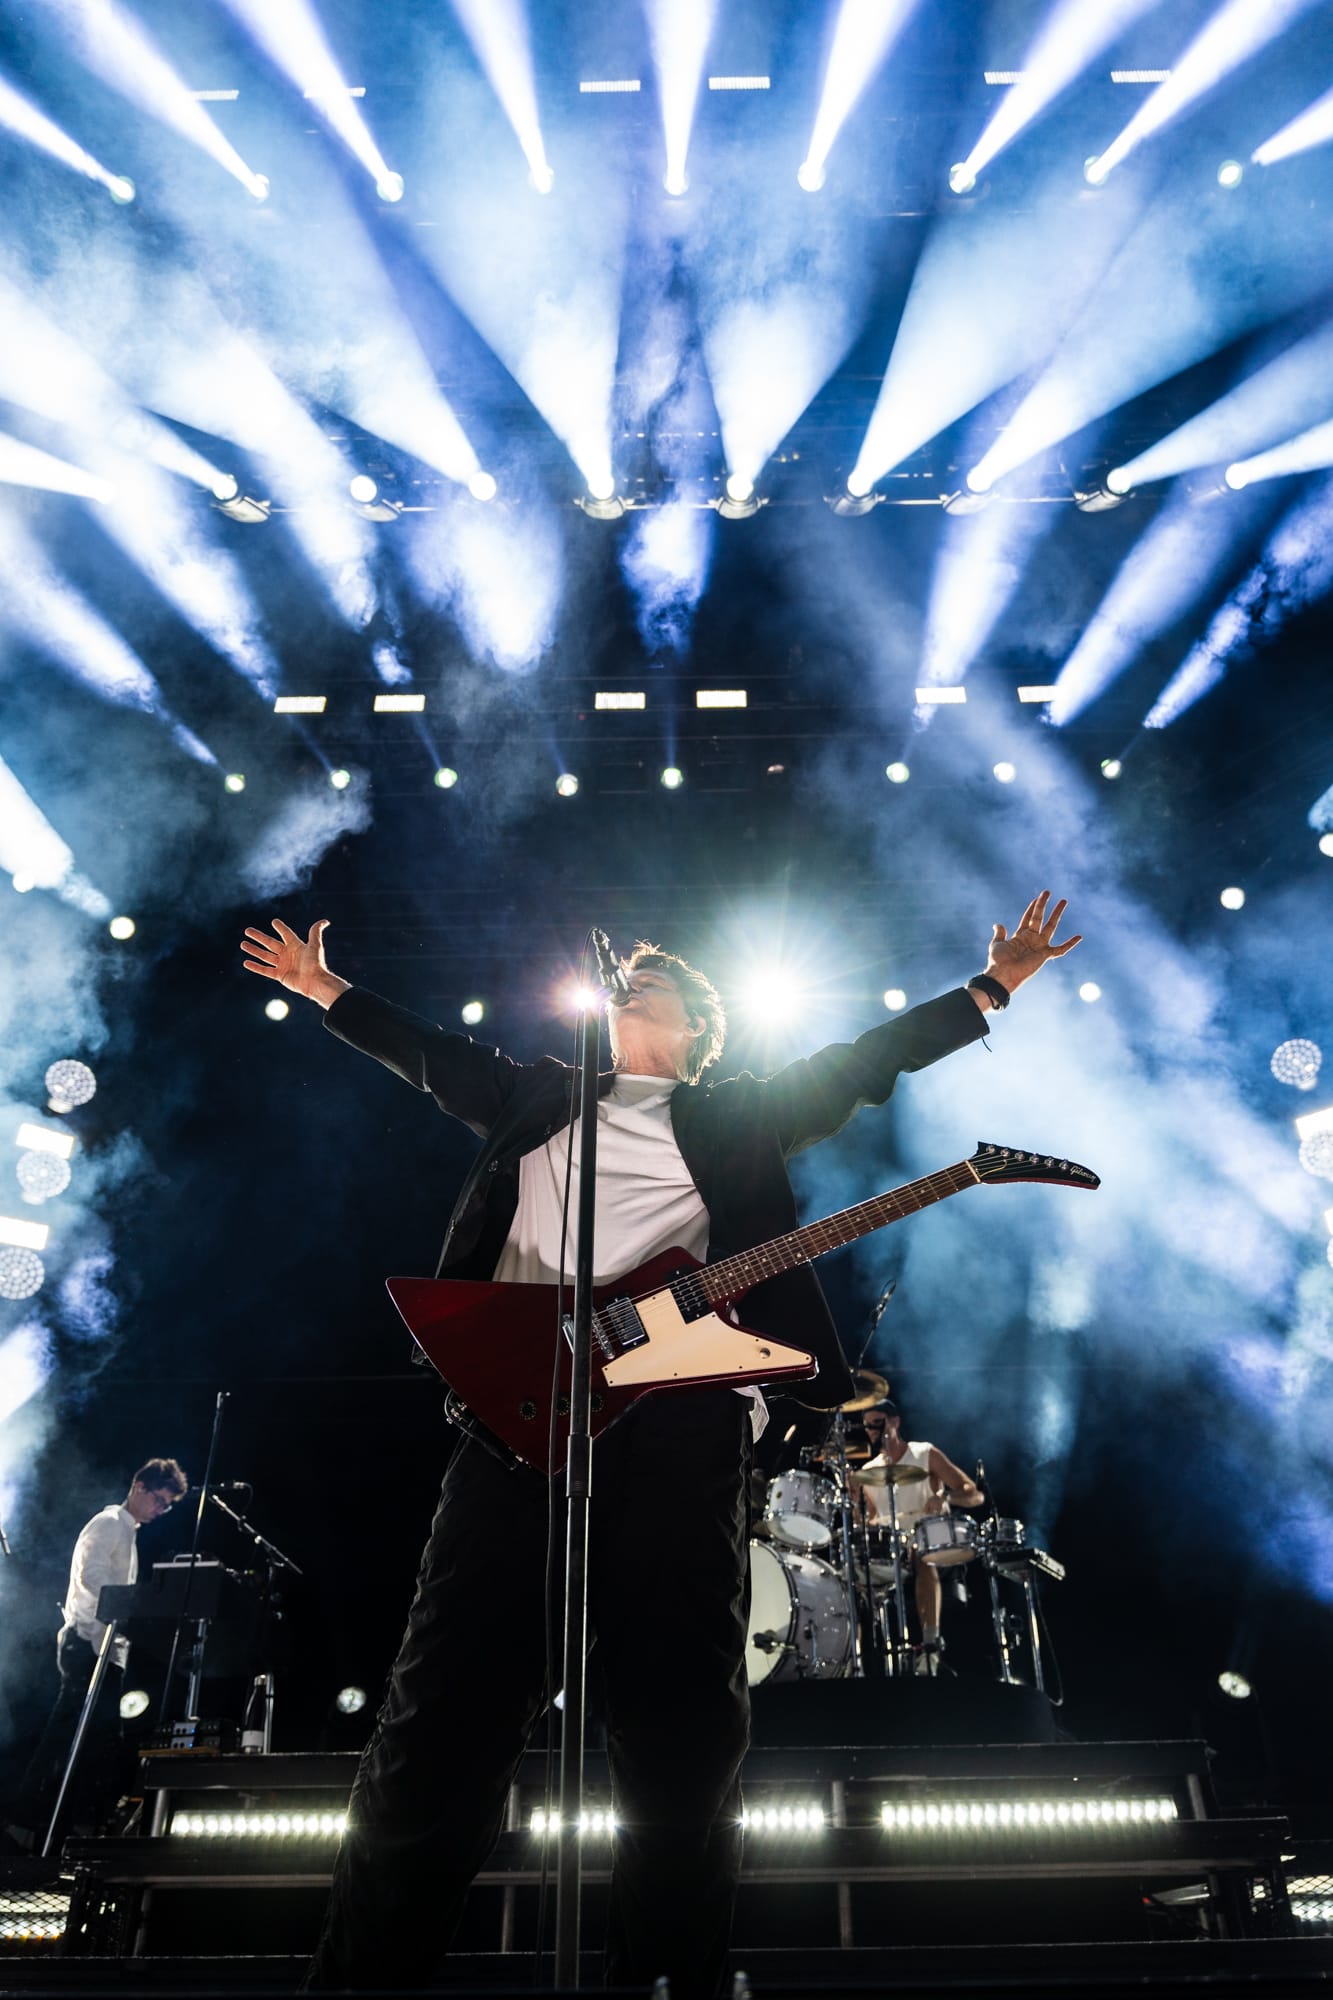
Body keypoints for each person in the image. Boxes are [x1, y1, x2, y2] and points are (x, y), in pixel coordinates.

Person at [240, 890, 1080, 1996]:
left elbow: (867, 1058)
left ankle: (666, 1976)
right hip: (520, 1419)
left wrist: (991, 987)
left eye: (654, 978)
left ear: (696, 1024)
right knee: (439, 1716)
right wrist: (325, 990)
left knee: (681, 1726)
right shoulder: (535, 1095)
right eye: (624, 975)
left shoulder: (739, 1113)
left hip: (685, 1420)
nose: (630, 980)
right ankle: (362, 1977)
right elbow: (430, 1055)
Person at [7, 1458, 188, 1848]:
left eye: (166, 1505)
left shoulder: (130, 1534)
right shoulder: (109, 1525)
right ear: (139, 1486)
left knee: (93, 1742)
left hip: (105, 1650)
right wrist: (131, 1608)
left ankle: (66, 1826)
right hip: (87, 1644)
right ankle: (28, 1824)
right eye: (159, 1500)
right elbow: (92, 1577)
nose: (161, 1510)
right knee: (67, 1739)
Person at [856, 1404, 982, 1668]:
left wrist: (945, 1496)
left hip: (927, 1539)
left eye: (878, 1423)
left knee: (923, 1556)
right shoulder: (868, 1472)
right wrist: (851, 1502)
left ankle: (930, 1648)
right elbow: (867, 1522)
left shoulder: (924, 1453)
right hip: (890, 1547)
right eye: (868, 1426)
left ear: (895, 1422)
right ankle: (856, 1659)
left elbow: (974, 1494)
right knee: (851, 1572)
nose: (873, 1431)